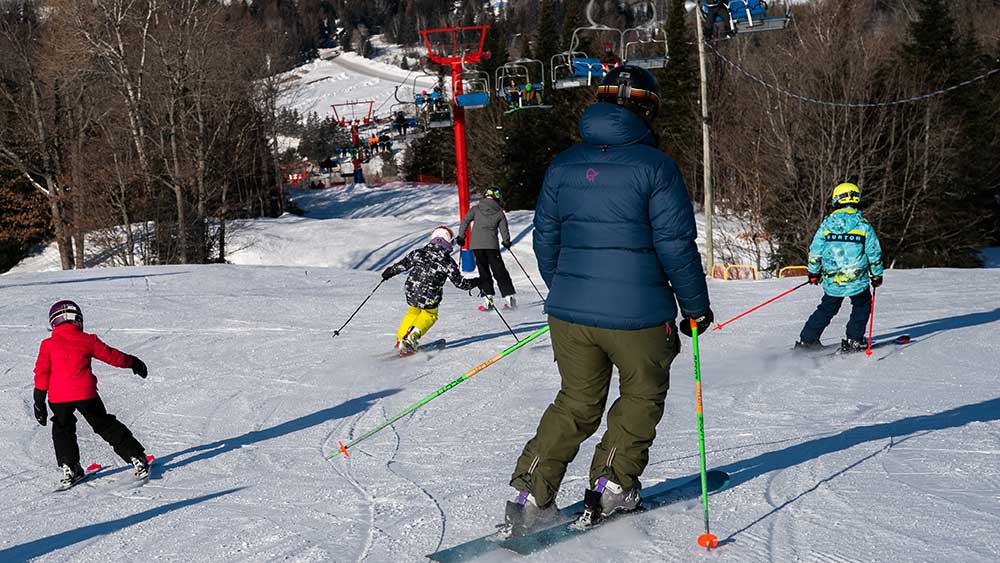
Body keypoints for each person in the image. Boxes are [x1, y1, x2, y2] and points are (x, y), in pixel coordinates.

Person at [504, 65, 712, 536]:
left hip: (570, 314)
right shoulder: (655, 166)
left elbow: (545, 237)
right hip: (639, 317)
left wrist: (567, 287)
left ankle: (529, 495)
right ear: (648, 109)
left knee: (576, 401)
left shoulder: (564, 164)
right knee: (640, 395)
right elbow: (675, 245)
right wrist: (695, 308)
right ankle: (611, 485)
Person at [33, 300, 151, 488]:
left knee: (62, 428)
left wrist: (38, 401)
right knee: (104, 424)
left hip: (58, 398)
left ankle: (70, 467)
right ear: (77, 320)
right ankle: (136, 456)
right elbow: (112, 356)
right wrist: (133, 362)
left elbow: (42, 372)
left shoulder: (47, 345)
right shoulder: (87, 340)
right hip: (85, 394)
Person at [796, 183, 884, 353]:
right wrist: (876, 274)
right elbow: (874, 252)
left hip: (833, 279)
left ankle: (808, 340)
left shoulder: (827, 225)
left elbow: (815, 251)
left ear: (836, 200)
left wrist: (813, 271)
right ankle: (854, 339)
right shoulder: (863, 225)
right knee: (862, 305)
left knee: (827, 307)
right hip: (857, 279)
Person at [381, 226, 480, 356]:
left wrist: (389, 272)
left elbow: (402, 265)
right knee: (429, 314)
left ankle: (401, 339)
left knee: (414, 311)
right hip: (429, 295)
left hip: (411, 290)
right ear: (448, 242)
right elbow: (461, 284)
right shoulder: (447, 262)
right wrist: (478, 281)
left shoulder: (418, 253)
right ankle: (410, 339)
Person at [457, 187, 517, 311]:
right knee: (499, 271)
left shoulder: (476, 209)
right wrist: (506, 242)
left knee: (483, 272)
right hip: (492, 246)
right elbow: (504, 229)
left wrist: (461, 237)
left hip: (477, 246)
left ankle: (488, 300)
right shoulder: (499, 212)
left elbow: (465, 221)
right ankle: (509, 298)